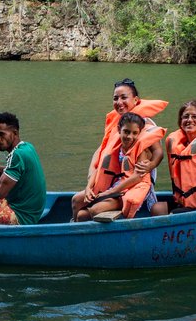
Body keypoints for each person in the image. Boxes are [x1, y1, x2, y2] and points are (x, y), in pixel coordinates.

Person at [71, 78, 168, 220]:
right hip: (113, 181)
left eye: (124, 97)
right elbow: (100, 152)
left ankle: (78, 232)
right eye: (115, 98)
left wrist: (151, 164)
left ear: (135, 100)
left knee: (86, 213)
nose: (119, 102)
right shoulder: (117, 125)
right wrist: (90, 182)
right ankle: (74, 229)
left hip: (130, 184)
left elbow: (158, 152)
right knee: (77, 202)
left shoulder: (143, 124)